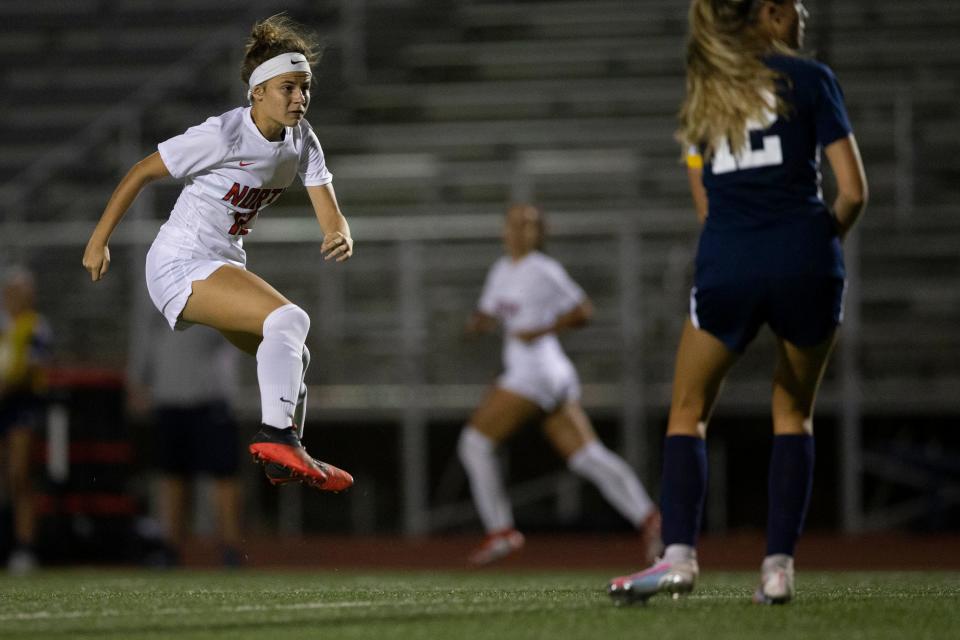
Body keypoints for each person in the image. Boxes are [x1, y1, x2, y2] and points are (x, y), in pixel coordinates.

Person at [608, 0, 867, 605]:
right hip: (806, 257)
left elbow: (706, 208)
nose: (803, 12)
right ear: (770, 14)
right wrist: (815, 247)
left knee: (688, 410)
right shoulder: (811, 78)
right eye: (795, 4)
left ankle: (676, 560)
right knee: (793, 412)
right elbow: (853, 191)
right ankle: (777, 570)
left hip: (729, 261)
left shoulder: (704, 93)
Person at [82, 14, 353, 493]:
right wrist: (98, 240)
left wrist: (339, 233)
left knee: (295, 356)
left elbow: (328, 208)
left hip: (221, 261)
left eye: (305, 87)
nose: (299, 98)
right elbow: (141, 171)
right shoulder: (224, 134)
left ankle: (285, 457)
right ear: (257, 92)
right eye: (288, 88)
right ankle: (278, 437)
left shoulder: (302, 138)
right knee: (289, 321)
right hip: (179, 260)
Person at [459, 203, 661, 566]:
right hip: (539, 374)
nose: (521, 231)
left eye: (529, 225)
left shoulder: (543, 269)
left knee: (474, 444)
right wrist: (476, 325)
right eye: (515, 224)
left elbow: (584, 310)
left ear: (539, 234)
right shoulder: (501, 270)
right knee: (586, 457)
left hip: (537, 372)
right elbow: (492, 315)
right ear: (504, 230)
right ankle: (651, 518)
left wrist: (543, 328)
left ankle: (501, 531)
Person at [128, 317, 244, 567]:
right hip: (169, 393)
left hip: (211, 393)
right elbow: (145, 331)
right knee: (172, 473)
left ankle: (231, 547)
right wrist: (139, 377)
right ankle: (169, 547)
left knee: (224, 474)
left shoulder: (217, 279)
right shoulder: (154, 285)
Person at [0, 267, 52, 574]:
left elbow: (28, 370)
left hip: (20, 404)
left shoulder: (36, 326)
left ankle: (25, 545)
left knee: (20, 474)